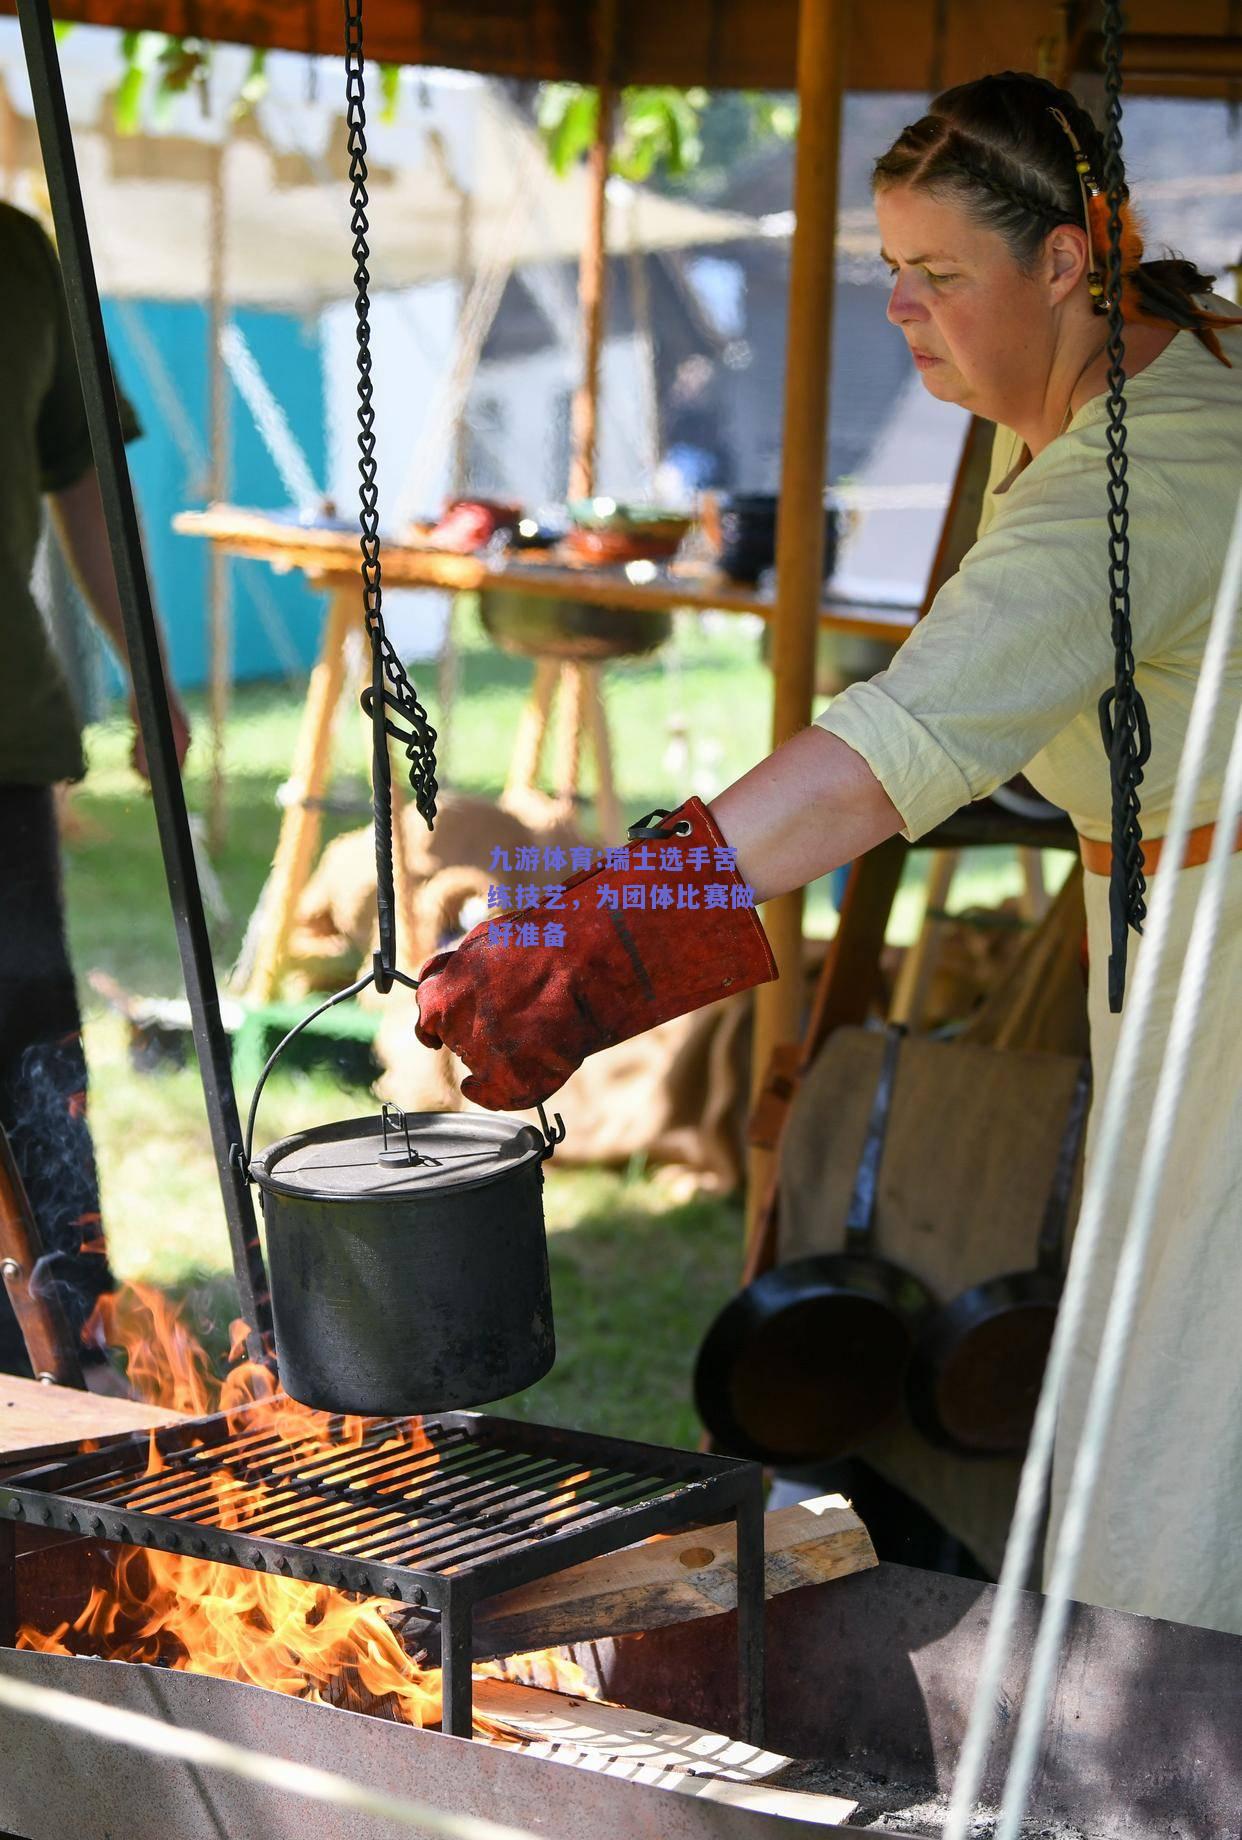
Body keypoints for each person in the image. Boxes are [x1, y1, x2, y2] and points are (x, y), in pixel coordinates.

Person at [414, 72, 1242, 1635]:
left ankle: (1173, 1756)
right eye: (891, 271)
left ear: (1069, 261)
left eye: (942, 277)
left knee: (1182, 1434)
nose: (904, 311)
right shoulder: (1109, 378)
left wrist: (593, 941)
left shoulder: (1135, 475)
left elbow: (884, 752)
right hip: (1182, 951)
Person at [0, 200, 190, 1380]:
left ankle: (77, 1373)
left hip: (3, 737)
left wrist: (147, 665)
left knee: (35, 1090)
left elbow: (85, 484)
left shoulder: (19, 257)